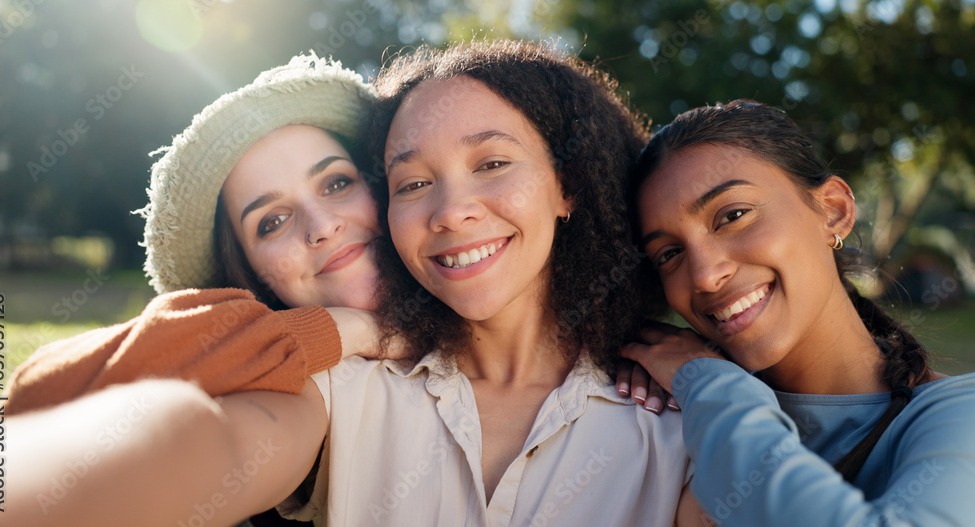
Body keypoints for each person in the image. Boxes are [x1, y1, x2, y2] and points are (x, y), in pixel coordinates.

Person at [273, 39, 697, 526]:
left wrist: (711, 382)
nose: (451, 213)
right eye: (412, 184)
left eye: (492, 164)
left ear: (567, 186)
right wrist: (351, 330)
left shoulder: (678, 423)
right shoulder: (342, 390)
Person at [620, 99, 975, 526]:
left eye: (733, 215)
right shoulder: (669, 424)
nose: (705, 276)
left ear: (833, 211)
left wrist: (706, 380)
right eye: (669, 253)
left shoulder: (958, 414)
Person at [5, 52, 386, 415]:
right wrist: (359, 331)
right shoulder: (293, 402)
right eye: (272, 222)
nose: (321, 226)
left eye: (337, 183)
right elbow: (37, 397)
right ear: (250, 275)